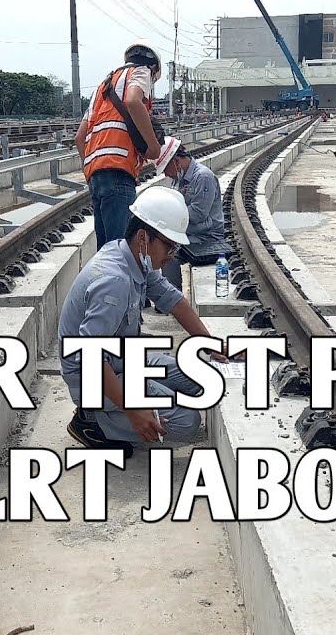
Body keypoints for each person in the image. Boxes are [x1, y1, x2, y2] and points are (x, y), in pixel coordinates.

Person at [57, 185, 231, 457]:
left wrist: (210, 345)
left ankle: (124, 406)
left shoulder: (137, 258)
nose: (172, 254)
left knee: (200, 378)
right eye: (169, 246)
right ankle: (93, 421)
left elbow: (174, 301)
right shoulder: (113, 281)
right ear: (143, 237)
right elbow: (89, 357)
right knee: (187, 422)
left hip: (123, 359)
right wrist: (134, 410)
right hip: (92, 376)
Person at [74, 40, 166, 250]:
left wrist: (93, 167)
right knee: (118, 251)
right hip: (118, 171)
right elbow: (133, 101)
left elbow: (80, 138)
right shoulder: (141, 72)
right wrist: (154, 147)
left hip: (96, 175)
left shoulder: (103, 88)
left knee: (105, 251)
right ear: (153, 68)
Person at [153, 136, 227, 294]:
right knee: (155, 245)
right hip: (190, 235)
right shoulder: (179, 180)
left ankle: (172, 298)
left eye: (166, 169)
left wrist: (169, 216)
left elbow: (198, 214)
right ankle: (167, 295)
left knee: (168, 252)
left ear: (176, 161)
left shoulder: (203, 177)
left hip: (206, 237)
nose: (167, 174)